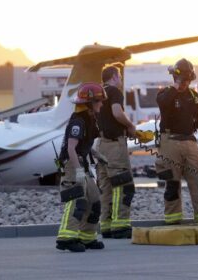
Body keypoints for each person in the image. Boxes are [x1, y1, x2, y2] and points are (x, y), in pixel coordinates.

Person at [56, 82, 107, 252]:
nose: (101, 104)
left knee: (94, 201)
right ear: (90, 103)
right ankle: (66, 238)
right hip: (72, 164)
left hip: (81, 162)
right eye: (99, 101)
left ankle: (87, 237)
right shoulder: (78, 121)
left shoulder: (89, 119)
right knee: (77, 200)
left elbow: (83, 145)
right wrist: (77, 171)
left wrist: (97, 155)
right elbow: (71, 148)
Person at [155, 58, 198, 224]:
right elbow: (163, 104)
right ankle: (173, 219)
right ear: (175, 78)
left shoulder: (194, 96)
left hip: (190, 142)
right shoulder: (165, 93)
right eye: (182, 80)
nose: (185, 83)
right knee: (172, 183)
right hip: (170, 142)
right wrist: (176, 88)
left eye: (187, 80)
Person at [95, 64, 136, 239]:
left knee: (106, 187)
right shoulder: (114, 92)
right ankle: (120, 226)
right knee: (123, 185)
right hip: (114, 146)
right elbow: (117, 113)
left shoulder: (97, 93)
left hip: (100, 145)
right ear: (113, 76)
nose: (121, 79)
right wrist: (131, 126)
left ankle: (106, 226)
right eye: (119, 76)